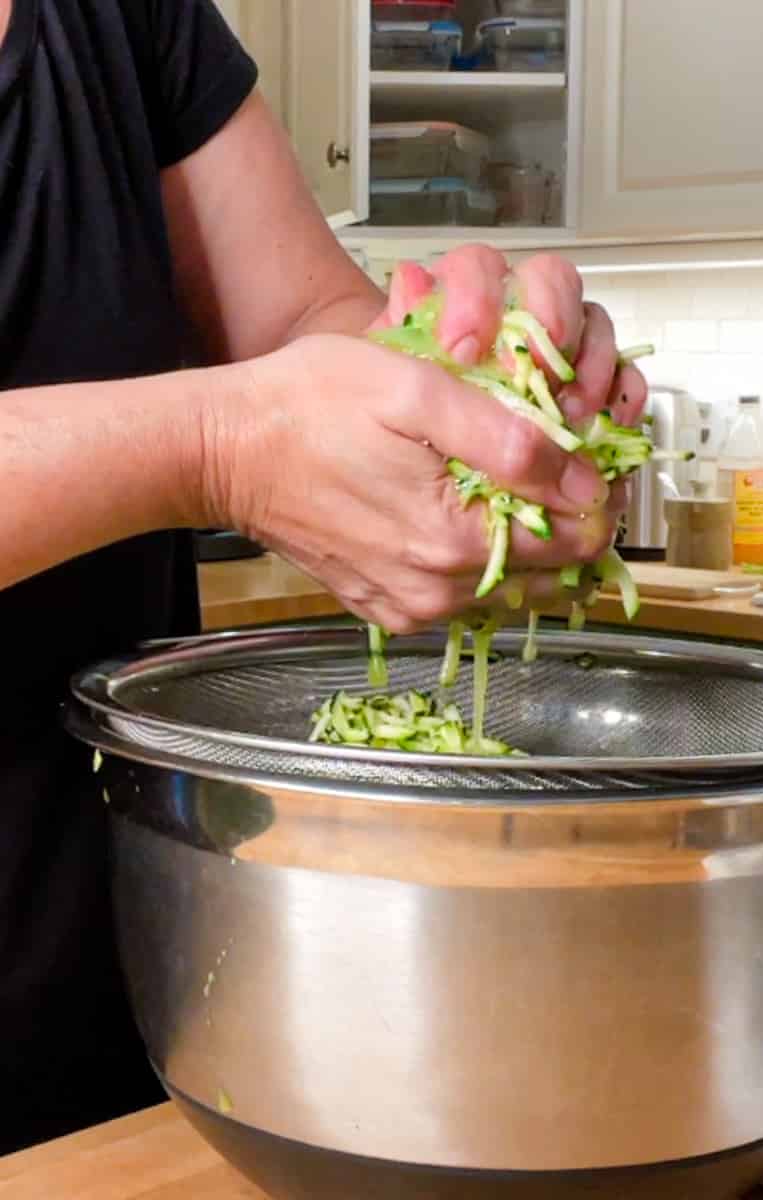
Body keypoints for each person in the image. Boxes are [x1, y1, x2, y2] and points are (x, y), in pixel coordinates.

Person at [0, 0, 645, 1153]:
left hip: (130, 961)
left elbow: (305, 319)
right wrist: (214, 447)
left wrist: (483, 387)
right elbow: (241, 419)